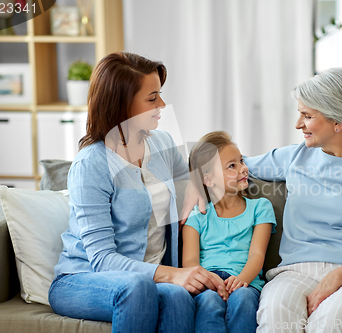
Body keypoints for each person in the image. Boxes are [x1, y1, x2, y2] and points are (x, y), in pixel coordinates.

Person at [48, 52, 227, 333]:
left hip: (149, 278)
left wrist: (194, 186)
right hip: (82, 279)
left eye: (160, 95)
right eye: (152, 98)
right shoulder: (92, 164)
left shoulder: (162, 143)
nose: (162, 105)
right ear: (123, 104)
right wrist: (172, 274)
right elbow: (102, 259)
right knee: (138, 286)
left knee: (178, 296)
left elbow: (191, 175)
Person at [241, 67, 342, 333]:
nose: (298, 124)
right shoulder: (294, 158)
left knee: (331, 320)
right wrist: (194, 181)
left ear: (337, 122)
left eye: (307, 116)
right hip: (296, 272)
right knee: (275, 313)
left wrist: (336, 278)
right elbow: (229, 164)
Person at [183, 131, 276, 333]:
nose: (243, 168)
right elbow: (190, 262)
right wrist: (210, 281)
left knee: (242, 298)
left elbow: (257, 254)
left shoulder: (260, 207)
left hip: (245, 280)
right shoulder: (197, 216)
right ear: (208, 179)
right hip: (208, 281)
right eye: (232, 166)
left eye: (241, 161)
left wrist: (242, 278)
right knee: (208, 300)